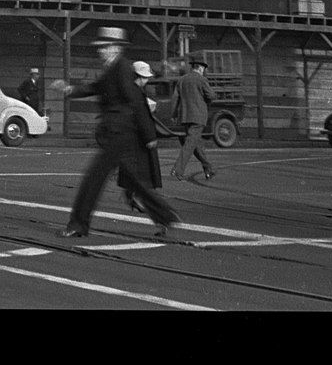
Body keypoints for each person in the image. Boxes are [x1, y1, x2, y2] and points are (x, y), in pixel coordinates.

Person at [53, 27, 178, 240]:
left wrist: (148, 135)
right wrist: (70, 90)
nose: (100, 51)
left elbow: (135, 100)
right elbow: (95, 87)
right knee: (134, 180)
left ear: (115, 48)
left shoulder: (121, 68)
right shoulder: (113, 68)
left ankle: (78, 224)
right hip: (118, 133)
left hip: (118, 133)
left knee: (93, 178)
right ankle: (165, 215)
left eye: (103, 48)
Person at [116, 60, 164, 213]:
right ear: (140, 77)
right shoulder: (137, 92)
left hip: (128, 137)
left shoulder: (127, 90)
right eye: (146, 77)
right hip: (139, 140)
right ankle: (137, 197)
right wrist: (150, 137)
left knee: (132, 170)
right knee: (143, 172)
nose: (147, 80)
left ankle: (131, 195)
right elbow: (142, 116)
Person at [170, 53, 217, 183]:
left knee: (196, 145)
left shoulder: (182, 79)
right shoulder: (202, 80)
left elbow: (175, 98)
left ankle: (209, 169)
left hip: (185, 117)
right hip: (198, 117)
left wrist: (173, 114)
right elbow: (211, 96)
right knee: (190, 144)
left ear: (193, 67)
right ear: (201, 68)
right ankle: (178, 170)